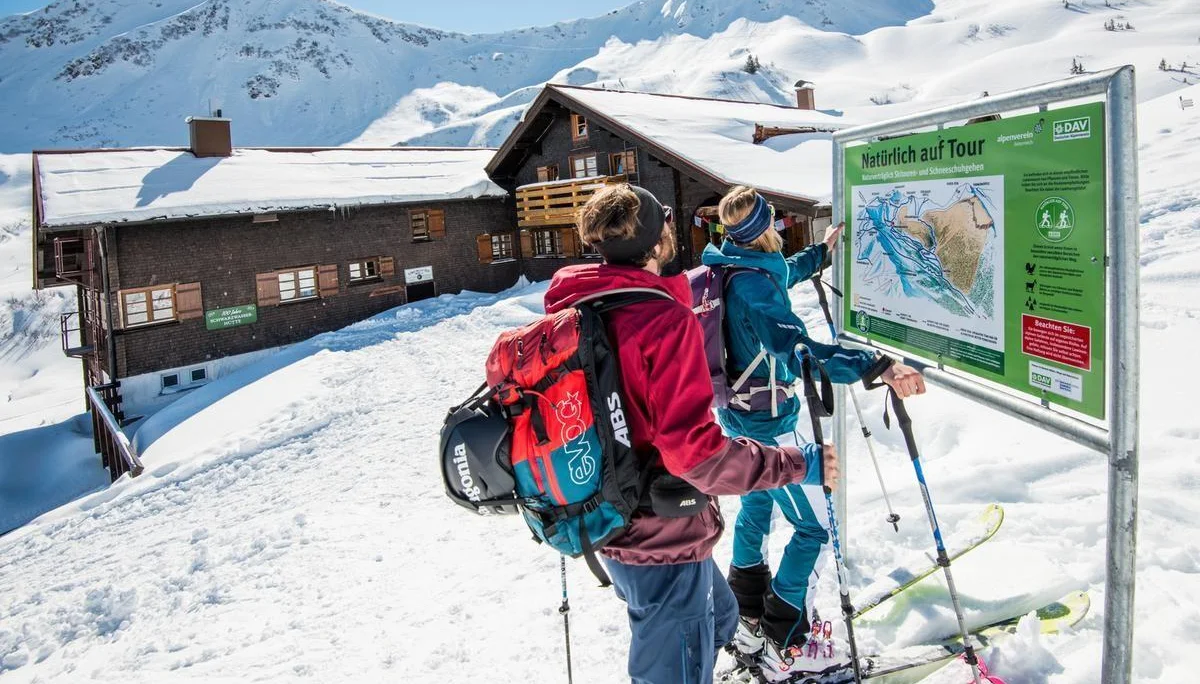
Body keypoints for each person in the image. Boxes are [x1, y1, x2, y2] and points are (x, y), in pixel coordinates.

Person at [543, 183, 840, 684]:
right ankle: (764, 642)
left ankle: (745, 636)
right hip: (659, 535)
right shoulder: (661, 318)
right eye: (663, 221)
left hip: (602, 513)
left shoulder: (575, 307)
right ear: (656, 242)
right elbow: (696, 457)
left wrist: (820, 255)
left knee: (717, 614)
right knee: (673, 662)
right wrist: (798, 463)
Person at [700, 186, 926, 680]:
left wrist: (821, 253)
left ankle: (750, 615)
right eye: (773, 222)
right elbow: (798, 350)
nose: (779, 226)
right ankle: (787, 634)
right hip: (767, 425)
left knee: (756, 508)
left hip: (737, 417)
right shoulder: (754, 287)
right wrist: (878, 366)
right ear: (761, 231)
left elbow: (783, 272)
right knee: (813, 528)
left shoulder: (731, 264)